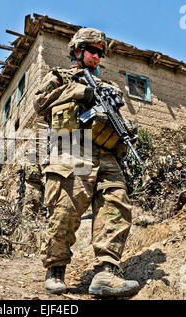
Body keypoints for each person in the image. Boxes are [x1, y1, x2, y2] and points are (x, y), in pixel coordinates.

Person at [33, 27, 140, 297]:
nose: (97, 57)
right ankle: (55, 269)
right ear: (78, 51)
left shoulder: (106, 87)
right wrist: (79, 92)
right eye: (92, 51)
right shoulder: (60, 77)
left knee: (115, 206)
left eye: (100, 53)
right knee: (65, 210)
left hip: (106, 153)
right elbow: (40, 105)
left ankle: (106, 272)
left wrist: (126, 130)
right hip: (71, 146)